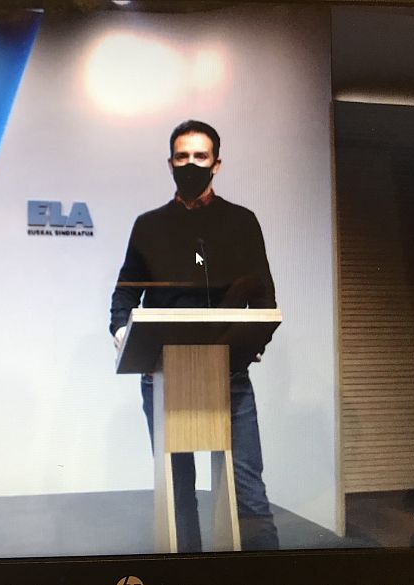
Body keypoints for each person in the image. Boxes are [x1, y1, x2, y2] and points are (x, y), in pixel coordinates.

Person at [109, 120, 280, 552]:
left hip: (228, 373)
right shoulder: (148, 225)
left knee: (247, 487)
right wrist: (121, 329)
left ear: (216, 164)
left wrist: (255, 341)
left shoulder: (241, 222)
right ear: (170, 163)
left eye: (200, 157)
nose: (191, 164)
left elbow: (263, 295)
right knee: (177, 489)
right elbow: (125, 292)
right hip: (162, 373)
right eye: (182, 157)